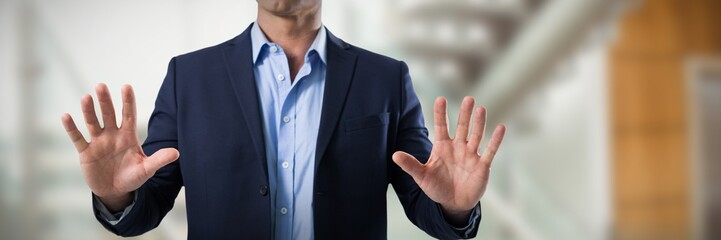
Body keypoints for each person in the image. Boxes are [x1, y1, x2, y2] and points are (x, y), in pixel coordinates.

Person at [60, 0, 506, 239]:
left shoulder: (385, 78)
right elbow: (149, 206)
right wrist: (116, 198)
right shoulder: (189, 77)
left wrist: (455, 205)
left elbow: (423, 198)